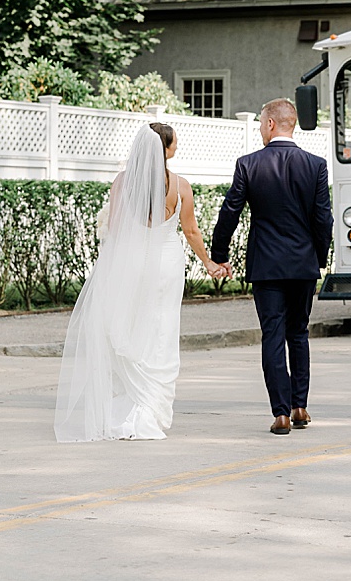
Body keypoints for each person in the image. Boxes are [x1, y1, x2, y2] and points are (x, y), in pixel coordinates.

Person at [55, 123, 226, 442]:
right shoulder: (180, 185)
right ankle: (151, 410)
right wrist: (209, 262)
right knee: (161, 328)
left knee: (131, 324)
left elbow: (117, 226)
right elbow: (190, 231)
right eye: (175, 144)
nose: (178, 148)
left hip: (133, 261)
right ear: (163, 149)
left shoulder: (123, 182)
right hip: (166, 264)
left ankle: (130, 402)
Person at [210, 98, 334, 435]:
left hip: (266, 265)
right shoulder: (316, 165)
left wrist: (219, 254)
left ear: (269, 124)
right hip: (303, 264)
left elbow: (230, 212)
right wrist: (318, 258)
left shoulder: (249, 164)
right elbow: (323, 219)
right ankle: (301, 406)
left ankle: (280, 413)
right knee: (299, 334)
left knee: (273, 336)